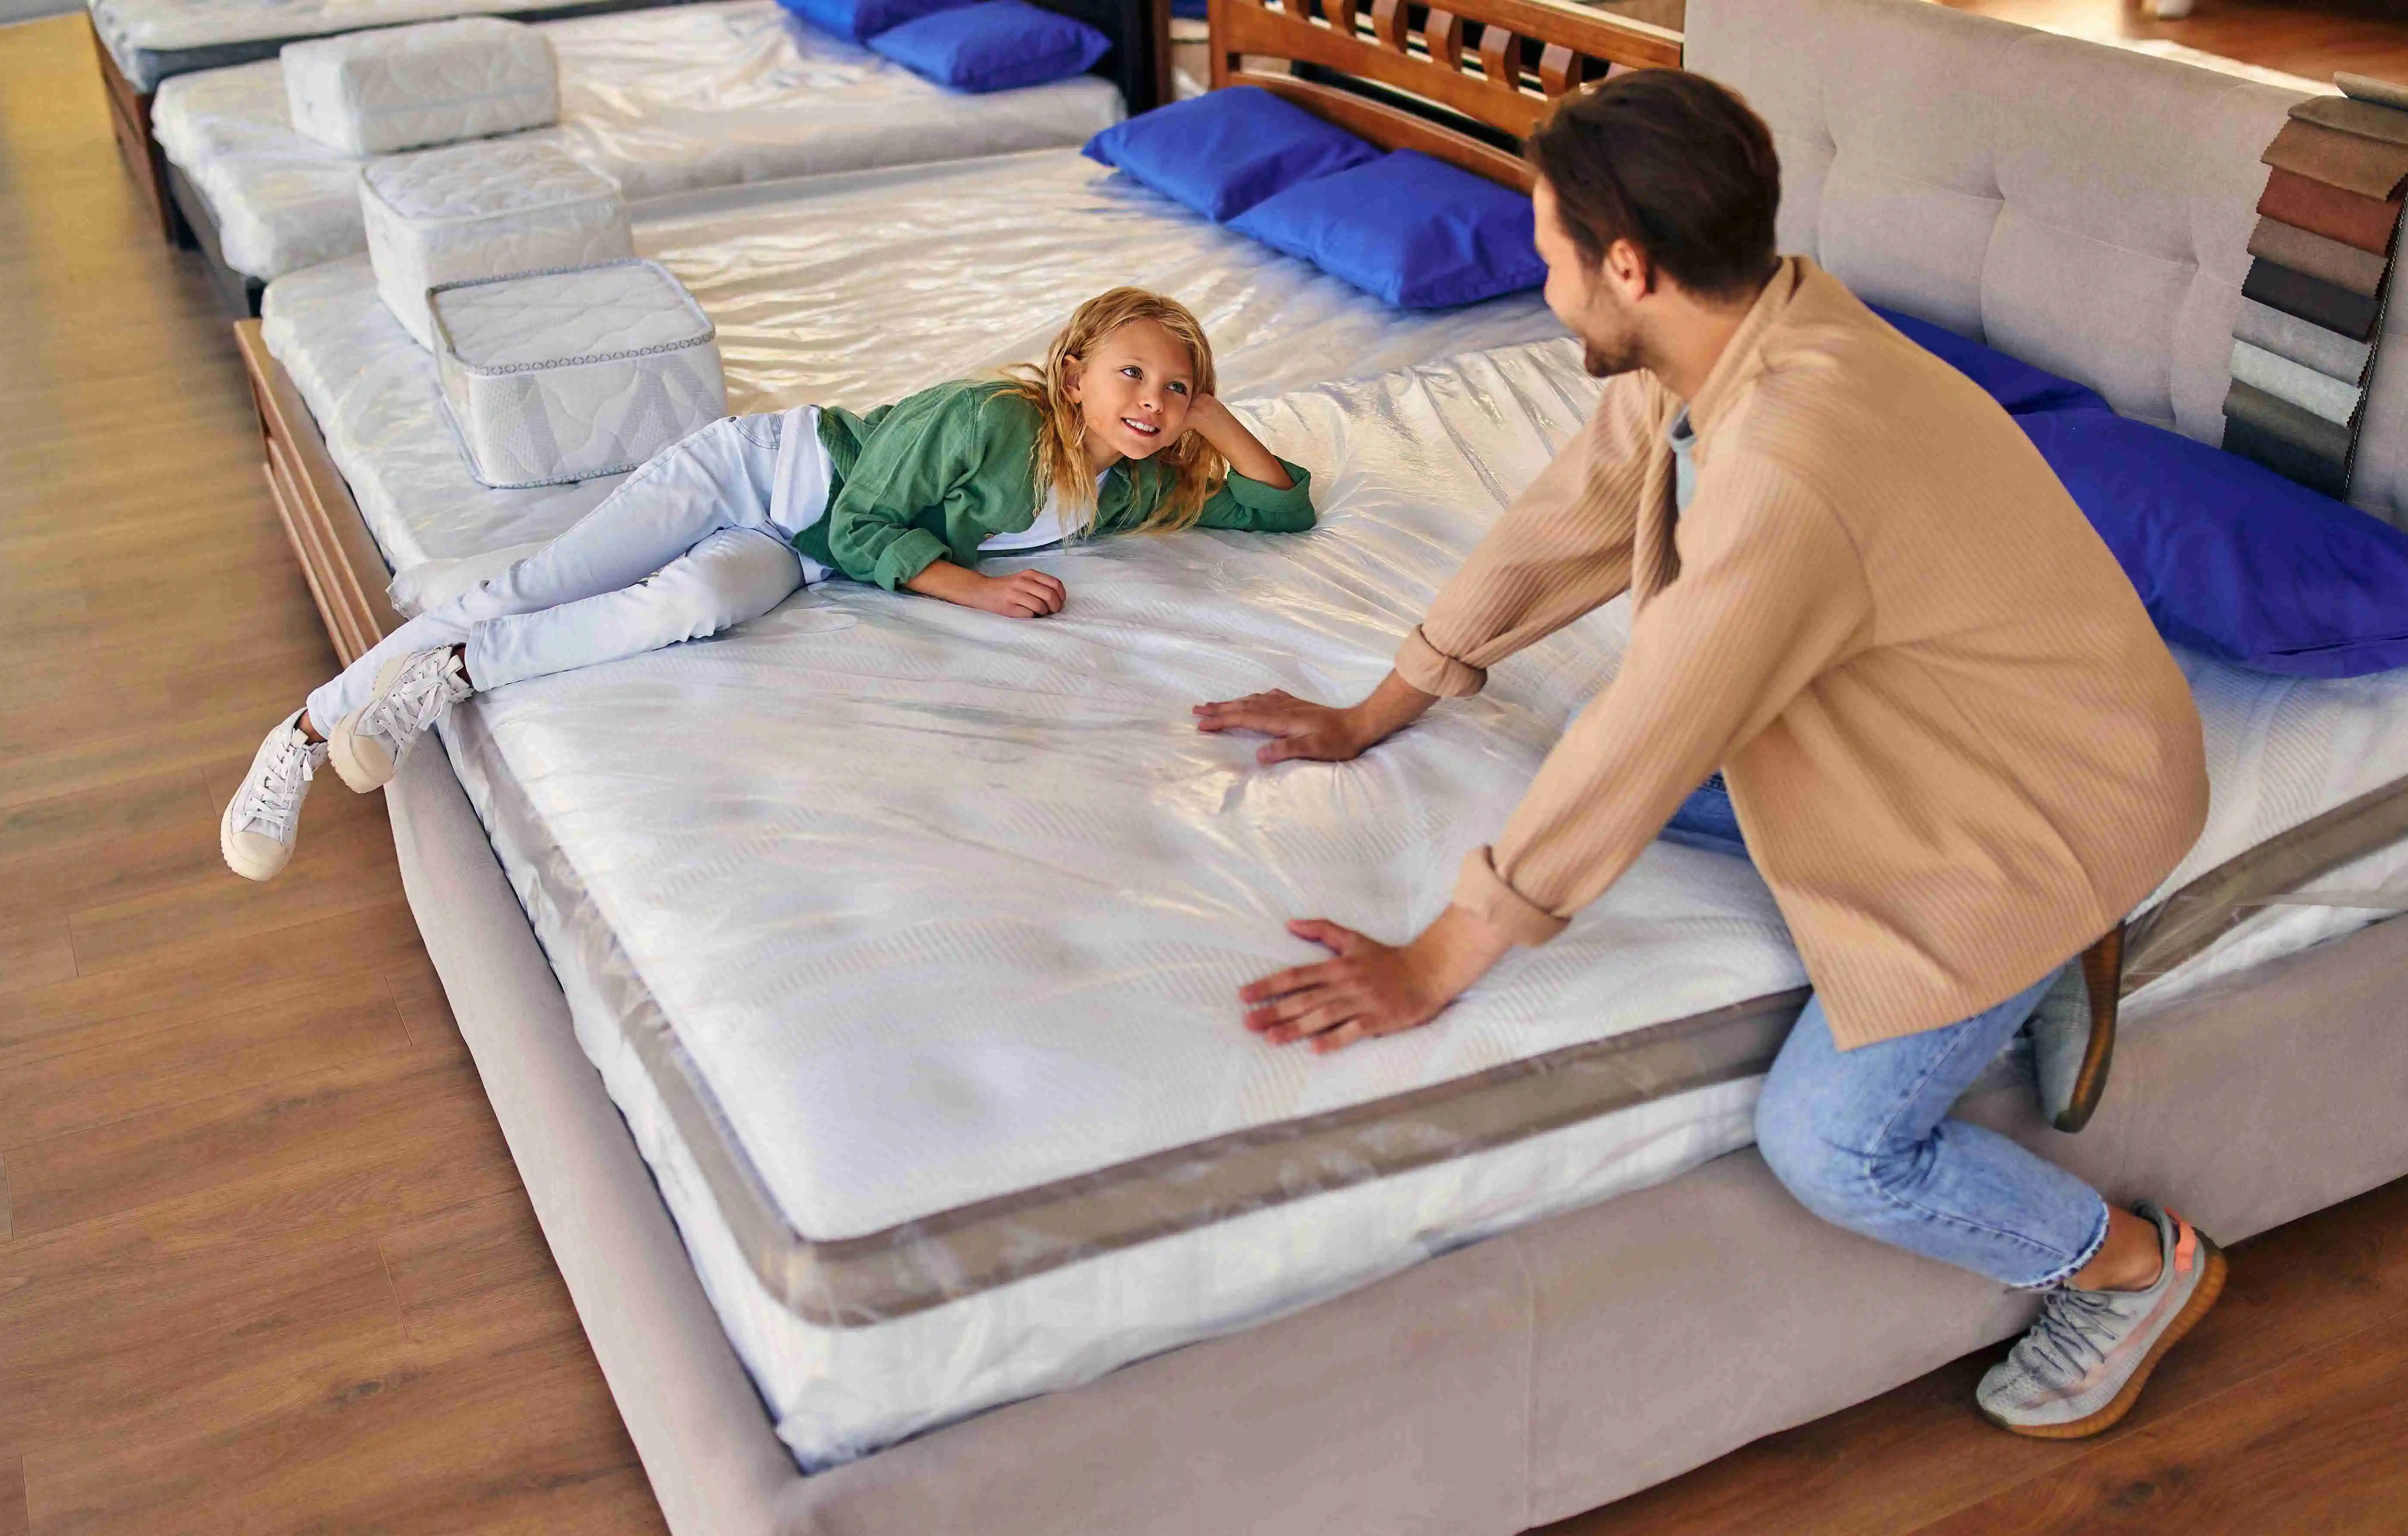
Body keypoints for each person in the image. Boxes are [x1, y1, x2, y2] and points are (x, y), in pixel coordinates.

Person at [1193, 73, 2221, 1439]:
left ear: (1631, 264)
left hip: (2039, 809)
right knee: (1603, 784)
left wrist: (1443, 953)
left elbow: (1651, 719)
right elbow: (1580, 509)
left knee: (1833, 1145)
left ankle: (2130, 1269)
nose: (1543, 283)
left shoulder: (1795, 464)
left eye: (1552, 254)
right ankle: (2052, 954)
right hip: (1981, 741)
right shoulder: (1747, 324)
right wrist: (1385, 704)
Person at [222, 287, 1313, 880]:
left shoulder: (1117, 493)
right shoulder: (992, 416)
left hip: (797, 553)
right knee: (535, 581)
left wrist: (1214, 414)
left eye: (1175, 390)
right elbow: (862, 519)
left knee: (689, 608)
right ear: (1073, 374)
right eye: (1133, 373)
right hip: (756, 475)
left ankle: (448, 674)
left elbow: (1280, 505)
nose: (1154, 399)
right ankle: (306, 737)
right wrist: (966, 591)